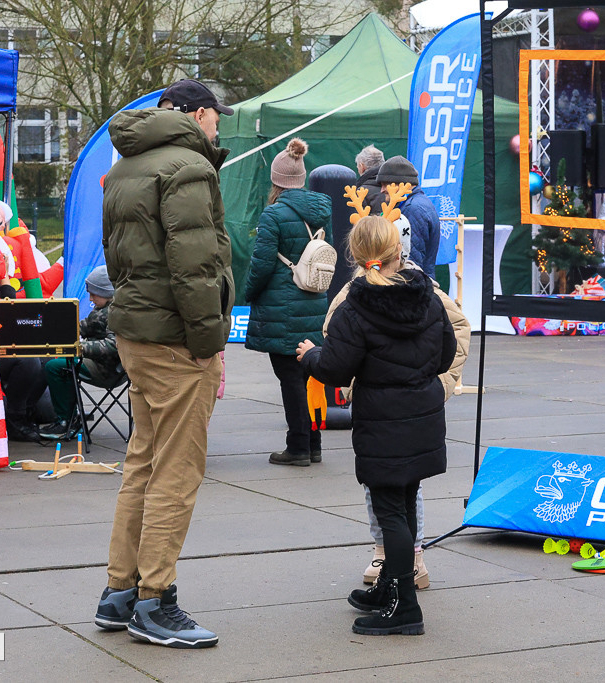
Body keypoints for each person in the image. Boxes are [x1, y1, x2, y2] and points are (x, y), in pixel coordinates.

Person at [94, 78, 235, 649]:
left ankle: (121, 591)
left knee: (144, 463)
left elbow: (118, 256)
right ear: (201, 115)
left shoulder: (128, 163)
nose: (218, 128)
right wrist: (209, 341)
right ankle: (155, 600)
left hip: (137, 328)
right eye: (217, 118)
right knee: (175, 472)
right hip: (177, 337)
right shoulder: (188, 167)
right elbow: (196, 265)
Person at [297, 215, 456, 637]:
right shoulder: (428, 297)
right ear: (396, 252)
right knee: (402, 504)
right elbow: (445, 356)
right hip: (420, 416)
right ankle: (390, 588)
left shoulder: (356, 307)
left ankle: (404, 606)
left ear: (357, 256)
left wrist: (311, 354)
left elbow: (335, 367)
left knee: (391, 514)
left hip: (384, 421)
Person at [325, 251, 470, 590]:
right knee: (392, 495)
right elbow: (337, 339)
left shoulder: (423, 291)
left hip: (395, 412)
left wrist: (442, 384)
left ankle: (405, 572)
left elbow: (456, 330)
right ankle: (392, 567)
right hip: (389, 411)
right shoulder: (355, 293)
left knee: (395, 498)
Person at [243, 137, 332, 467]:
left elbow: (262, 263)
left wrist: (248, 293)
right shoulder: (321, 209)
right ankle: (314, 443)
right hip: (314, 299)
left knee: (290, 378)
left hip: (281, 306)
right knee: (308, 374)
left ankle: (297, 447)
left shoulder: (274, 214)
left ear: (276, 181)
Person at [40, 266, 121, 441]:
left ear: (107, 292)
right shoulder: (102, 310)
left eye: (94, 294)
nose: (90, 298)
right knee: (60, 361)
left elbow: (114, 345)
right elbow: (84, 326)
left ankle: (66, 421)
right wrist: (57, 326)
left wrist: (81, 347)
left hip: (109, 369)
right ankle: (71, 416)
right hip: (104, 364)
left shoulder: (116, 312)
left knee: (54, 367)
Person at [375, 156, 441, 277]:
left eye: (385, 184)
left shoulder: (412, 209)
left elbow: (410, 260)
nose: (382, 190)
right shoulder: (417, 203)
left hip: (412, 286)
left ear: (400, 182)